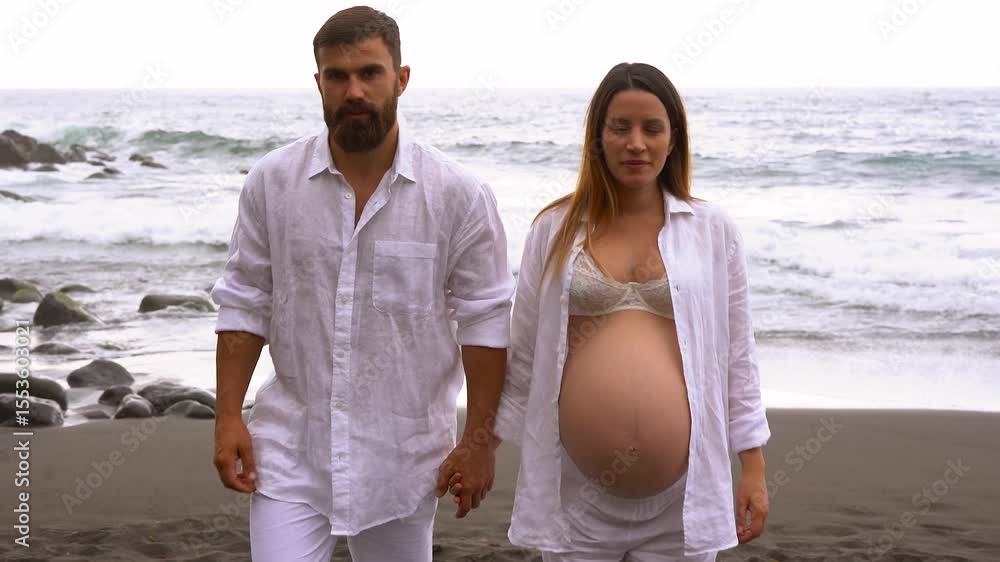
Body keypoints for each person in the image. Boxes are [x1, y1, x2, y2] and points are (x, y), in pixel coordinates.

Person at [209, 6, 513, 561]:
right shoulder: (272, 183)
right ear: (318, 81)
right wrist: (228, 416)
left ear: (401, 79)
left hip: (403, 459)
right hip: (291, 449)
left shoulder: (457, 195)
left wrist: (479, 442)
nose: (354, 90)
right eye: (338, 75)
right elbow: (245, 301)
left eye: (370, 73)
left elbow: (487, 321)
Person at [491, 63, 772, 561]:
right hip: (577, 500)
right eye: (619, 128)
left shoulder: (711, 230)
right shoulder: (554, 230)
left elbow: (737, 356)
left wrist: (753, 467)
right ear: (597, 138)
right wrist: (481, 450)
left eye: (652, 128)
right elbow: (527, 349)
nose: (635, 143)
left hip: (682, 501)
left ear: (673, 138)